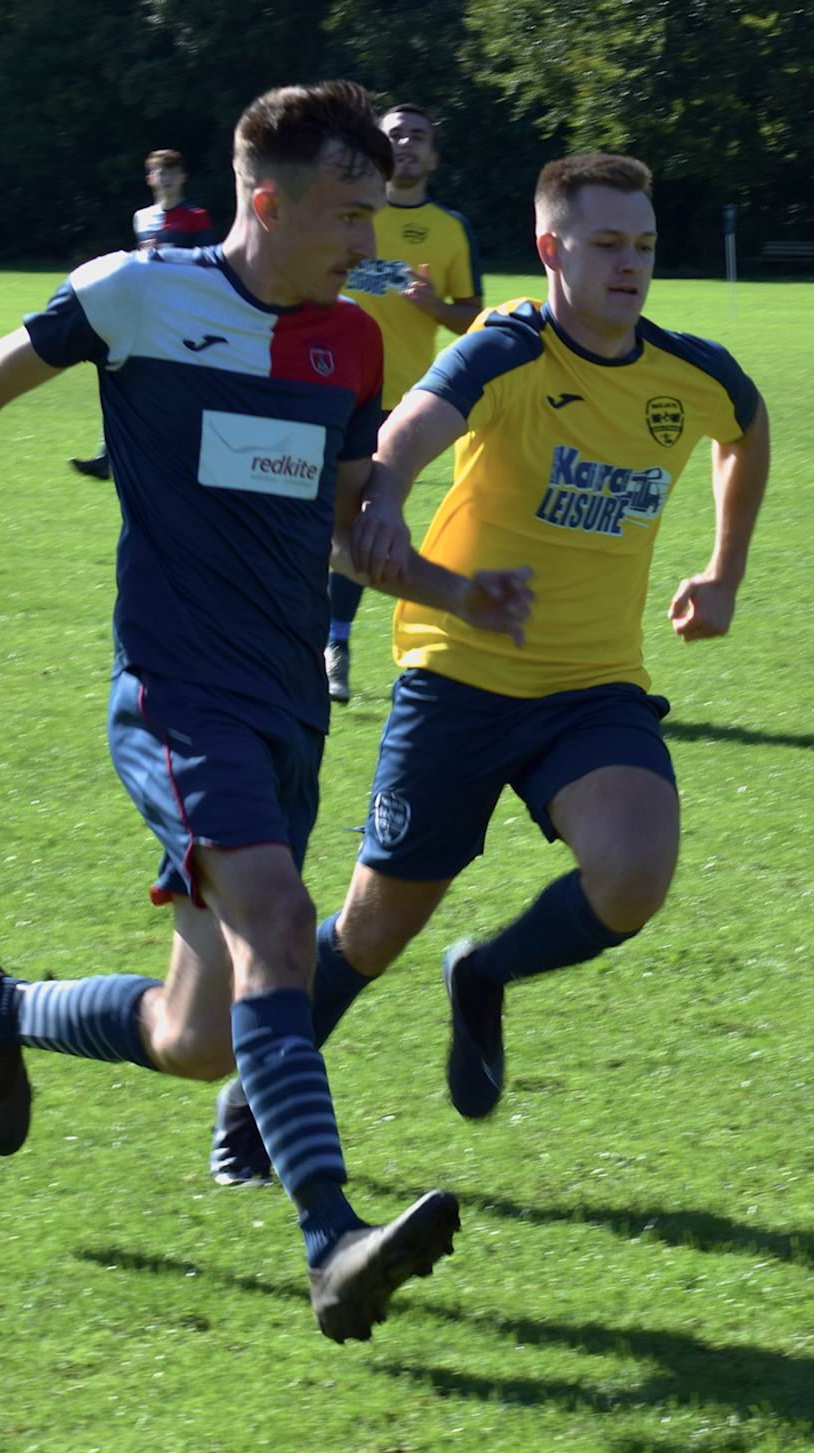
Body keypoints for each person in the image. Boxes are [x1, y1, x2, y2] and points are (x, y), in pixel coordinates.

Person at [0, 81, 536, 1343]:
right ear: (268, 200)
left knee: (197, 1035)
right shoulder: (140, 294)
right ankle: (330, 1239)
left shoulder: (352, 343)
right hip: (175, 691)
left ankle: (0, 1012)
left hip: (283, 710)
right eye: (347, 214)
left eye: (377, 215)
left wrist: (450, 589)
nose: (368, 243)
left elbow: (343, 526)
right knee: (278, 919)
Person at [207, 152, 770, 1184]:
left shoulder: (689, 374)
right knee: (372, 933)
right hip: (459, 679)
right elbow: (407, 431)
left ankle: (488, 975)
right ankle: (254, 1100)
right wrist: (379, 500)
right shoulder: (505, 349)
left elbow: (746, 424)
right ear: (553, 249)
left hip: (591, 687)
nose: (630, 265)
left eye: (643, 246)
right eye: (606, 244)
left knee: (635, 874)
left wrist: (723, 569)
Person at [326, 104, 486, 704]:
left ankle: (334, 643)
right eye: (396, 136)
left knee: (360, 521)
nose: (408, 145)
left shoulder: (449, 229)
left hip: (399, 406)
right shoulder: (348, 211)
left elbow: (474, 316)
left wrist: (431, 306)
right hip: (322, 386)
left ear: (433, 155)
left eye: (418, 137)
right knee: (298, 518)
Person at [69, 150, 218, 480]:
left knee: (184, 388)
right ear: (150, 179)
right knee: (125, 378)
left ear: (183, 177)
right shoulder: (142, 218)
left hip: (182, 317)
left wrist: (165, 257)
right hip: (145, 314)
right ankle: (107, 457)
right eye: (159, 173)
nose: (165, 179)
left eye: (172, 173)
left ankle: (200, 458)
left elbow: (208, 266)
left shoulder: (197, 217)